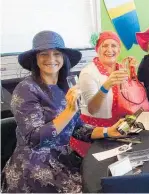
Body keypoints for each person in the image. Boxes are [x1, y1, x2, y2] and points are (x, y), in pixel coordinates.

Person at [1, 31, 123, 193]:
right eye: (44, 54)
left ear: (63, 57)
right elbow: (35, 139)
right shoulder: (25, 90)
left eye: (57, 53)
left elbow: (78, 129)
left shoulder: (64, 85)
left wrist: (108, 131)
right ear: (35, 59)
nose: (51, 59)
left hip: (63, 161)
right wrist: (69, 111)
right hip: (33, 170)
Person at [79, 31, 133, 127]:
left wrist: (133, 73)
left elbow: (129, 99)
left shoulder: (121, 69)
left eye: (113, 46)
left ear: (119, 50)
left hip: (120, 128)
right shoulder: (88, 73)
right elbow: (92, 109)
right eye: (105, 46)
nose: (109, 49)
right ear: (97, 50)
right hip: (95, 133)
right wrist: (106, 86)